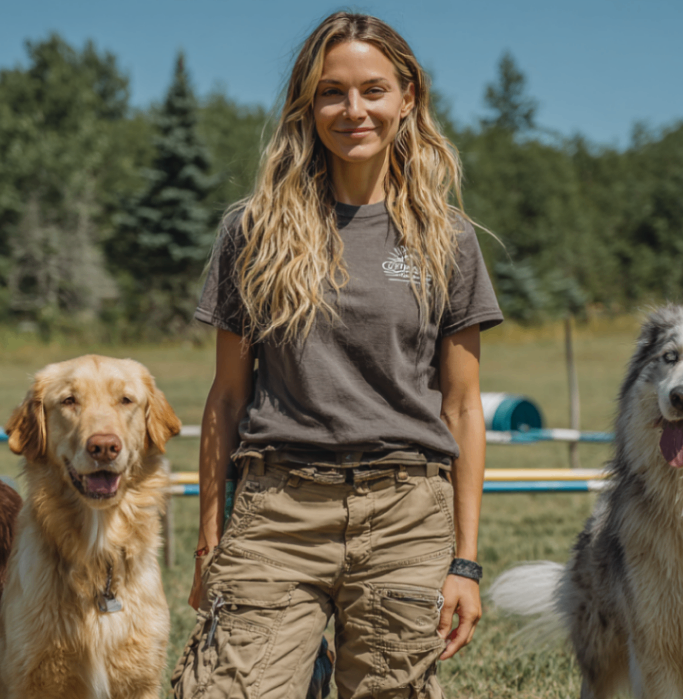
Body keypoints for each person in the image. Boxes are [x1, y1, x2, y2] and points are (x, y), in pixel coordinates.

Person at [172, 11, 503, 699]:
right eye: (332, 92)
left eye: (373, 90)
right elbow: (226, 398)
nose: (354, 110)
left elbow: (463, 404)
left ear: (407, 98)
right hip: (278, 510)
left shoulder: (446, 238)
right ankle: (300, 664)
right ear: (306, 103)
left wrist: (465, 562)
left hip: (404, 513)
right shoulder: (253, 230)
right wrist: (211, 538)